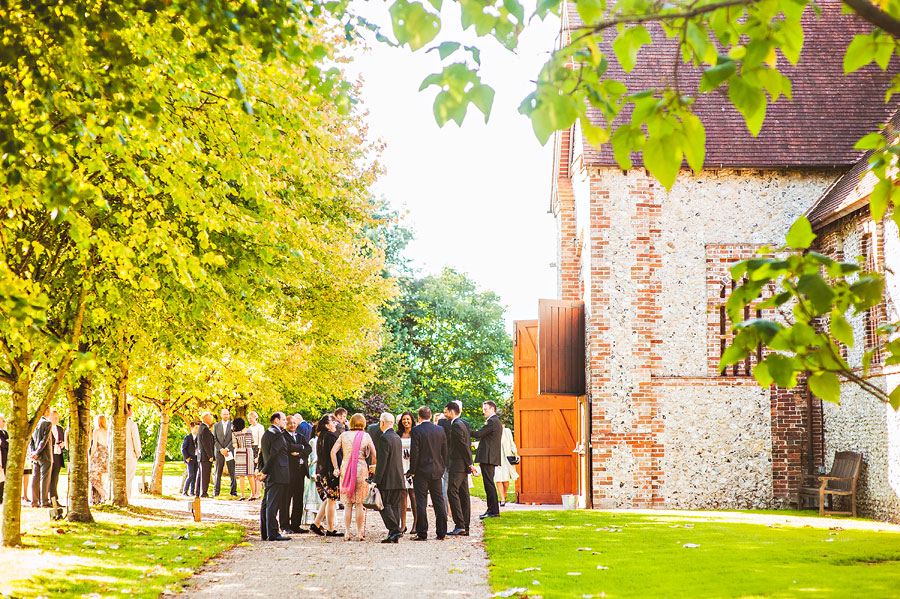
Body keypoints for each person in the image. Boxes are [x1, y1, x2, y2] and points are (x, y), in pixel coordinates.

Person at [331, 413, 375, 541]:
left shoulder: (344, 435)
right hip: (361, 469)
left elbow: (333, 451)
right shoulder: (366, 436)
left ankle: (347, 532)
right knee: (359, 503)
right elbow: (374, 453)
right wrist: (373, 467)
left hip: (346, 469)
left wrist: (336, 467)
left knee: (348, 503)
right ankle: (360, 533)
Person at [409, 406, 448, 540]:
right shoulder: (440, 430)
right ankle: (442, 532)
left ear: (419, 417)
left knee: (421, 502)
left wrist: (412, 470)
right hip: (437, 469)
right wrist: (442, 467)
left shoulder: (416, 430)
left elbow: (415, 452)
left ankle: (422, 532)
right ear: (430, 416)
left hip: (421, 471)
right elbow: (444, 451)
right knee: (439, 501)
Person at [258, 411, 291, 541]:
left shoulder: (267, 433)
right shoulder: (276, 434)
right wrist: (264, 471)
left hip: (271, 472)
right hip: (277, 473)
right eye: (283, 419)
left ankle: (265, 532)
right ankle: (272, 533)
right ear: (276, 420)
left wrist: (260, 469)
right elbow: (273, 454)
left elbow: (261, 454)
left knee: (266, 503)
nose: (285, 422)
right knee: (272, 504)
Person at [310, 414, 342, 537]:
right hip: (330, 472)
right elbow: (335, 455)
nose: (335, 424)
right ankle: (331, 528)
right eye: (333, 422)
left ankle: (316, 523)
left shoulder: (321, 437)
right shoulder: (331, 437)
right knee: (332, 499)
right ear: (327, 425)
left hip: (322, 471)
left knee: (328, 499)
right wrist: (338, 468)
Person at [374, 412, 404, 543]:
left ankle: (394, 529)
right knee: (395, 506)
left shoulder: (384, 438)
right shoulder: (397, 437)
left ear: (382, 422)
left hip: (387, 479)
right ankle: (394, 534)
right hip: (398, 477)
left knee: (384, 505)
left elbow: (382, 462)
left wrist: (376, 480)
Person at [470, 400, 502, 519]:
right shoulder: (494, 421)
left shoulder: (492, 421)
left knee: (489, 485)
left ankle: (493, 511)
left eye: (485, 409)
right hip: (489, 457)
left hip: (488, 457)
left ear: (492, 409)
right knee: (488, 484)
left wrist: (464, 429)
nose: (484, 412)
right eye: (483, 409)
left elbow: (478, 434)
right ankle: (491, 509)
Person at [445, 402, 473, 536]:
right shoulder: (461, 424)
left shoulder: (456, 425)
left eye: (446, 412)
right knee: (463, 494)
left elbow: (463, 445)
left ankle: (459, 524)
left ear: (451, 411)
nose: (445, 414)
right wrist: (469, 463)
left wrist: (470, 463)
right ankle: (465, 525)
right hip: (462, 465)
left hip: (457, 465)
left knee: (452, 491)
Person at [281, 415, 311, 534]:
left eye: (294, 423)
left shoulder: (301, 436)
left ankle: (295, 525)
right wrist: (301, 447)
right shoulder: (283, 436)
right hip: (289, 472)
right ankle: (284, 525)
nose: (292, 425)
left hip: (300, 472)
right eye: (289, 423)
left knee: (298, 499)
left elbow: (308, 448)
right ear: (286, 424)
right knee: (286, 500)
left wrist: (299, 453)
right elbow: (288, 448)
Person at [397, 411, 417, 533]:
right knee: (402, 496)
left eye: (408, 419)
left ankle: (416, 523)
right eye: (404, 419)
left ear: (412, 420)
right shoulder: (398, 434)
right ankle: (403, 524)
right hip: (401, 466)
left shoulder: (415, 434)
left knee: (413, 495)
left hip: (412, 467)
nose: (406, 421)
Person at [29, 407, 53, 508]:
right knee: (45, 478)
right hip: (45, 455)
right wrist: (38, 452)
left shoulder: (34, 424)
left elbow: (31, 441)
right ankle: (44, 501)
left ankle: (34, 501)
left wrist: (33, 452)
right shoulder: (47, 423)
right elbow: (45, 439)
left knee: (35, 478)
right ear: (46, 411)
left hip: (35, 455)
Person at [213, 408, 236, 497]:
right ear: (221, 415)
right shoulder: (216, 425)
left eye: (227, 414)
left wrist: (227, 448)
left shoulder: (233, 425)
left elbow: (234, 438)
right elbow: (214, 439)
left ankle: (233, 492)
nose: (226, 416)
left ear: (229, 415)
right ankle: (216, 492)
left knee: (232, 472)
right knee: (218, 471)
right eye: (224, 414)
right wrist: (221, 449)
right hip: (219, 452)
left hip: (230, 451)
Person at [495, 421, 519, 507]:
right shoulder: (493, 431)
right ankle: (502, 498)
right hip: (496, 458)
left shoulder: (507, 431)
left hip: (506, 459)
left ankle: (504, 495)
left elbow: (512, 443)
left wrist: (515, 453)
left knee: (505, 480)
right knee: (498, 479)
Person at [89, 414, 109, 504]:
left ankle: (104, 494)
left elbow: (94, 446)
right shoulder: (107, 431)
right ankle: (100, 498)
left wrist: (91, 456)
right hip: (106, 455)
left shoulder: (96, 431)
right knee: (100, 477)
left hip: (98, 455)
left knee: (92, 477)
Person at [196, 412, 216, 498]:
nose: (211, 419)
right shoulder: (205, 429)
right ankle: (203, 492)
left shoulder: (201, 428)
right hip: (205, 456)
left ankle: (198, 492)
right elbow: (206, 444)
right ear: (206, 418)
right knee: (205, 475)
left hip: (201, 456)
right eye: (210, 418)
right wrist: (210, 456)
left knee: (200, 475)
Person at [48, 409, 66, 505]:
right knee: (48, 477)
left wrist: (62, 444)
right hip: (49, 455)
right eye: (54, 417)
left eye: (57, 417)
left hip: (58, 455)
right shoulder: (47, 427)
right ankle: (47, 498)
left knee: (55, 477)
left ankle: (54, 498)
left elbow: (62, 440)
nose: (56, 419)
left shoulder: (60, 429)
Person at [125, 404, 142, 500]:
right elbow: (136, 440)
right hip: (129, 455)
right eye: (130, 410)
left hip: (115, 456)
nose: (131, 412)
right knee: (128, 478)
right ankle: (126, 498)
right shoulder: (131, 424)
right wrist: (138, 452)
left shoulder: (112, 424)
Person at [247, 411, 265, 500]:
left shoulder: (260, 427)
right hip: (251, 448)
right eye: (248, 418)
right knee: (252, 472)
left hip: (257, 449)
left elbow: (261, 441)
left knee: (257, 472)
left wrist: (258, 455)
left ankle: (258, 492)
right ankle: (253, 492)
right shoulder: (249, 428)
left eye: (251, 418)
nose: (249, 420)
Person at [181, 421, 200, 497]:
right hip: (190, 459)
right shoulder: (188, 437)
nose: (197, 429)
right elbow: (183, 448)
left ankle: (192, 492)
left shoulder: (199, 438)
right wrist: (187, 458)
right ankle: (185, 491)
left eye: (198, 428)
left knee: (195, 475)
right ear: (192, 428)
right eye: (196, 428)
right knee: (190, 475)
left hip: (196, 458)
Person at [0, 414, 8, 503]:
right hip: (0, 456)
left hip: (5, 457)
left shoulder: (5, 432)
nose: (4, 423)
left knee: (3, 478)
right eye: (2, 421)